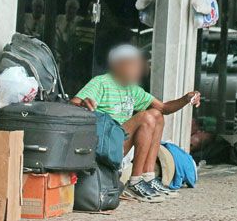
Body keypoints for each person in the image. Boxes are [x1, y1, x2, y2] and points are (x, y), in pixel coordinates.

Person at [72, 44, 202, 202]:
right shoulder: (100, 83)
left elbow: (164, 108)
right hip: (102, 148)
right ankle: (134, 183)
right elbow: (73, 103)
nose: (138, 70)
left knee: (157, 115)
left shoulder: (132, 89)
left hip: (119, 147)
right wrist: (84, 104)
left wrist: (186, 99)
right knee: (146, 117)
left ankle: (147, 177)